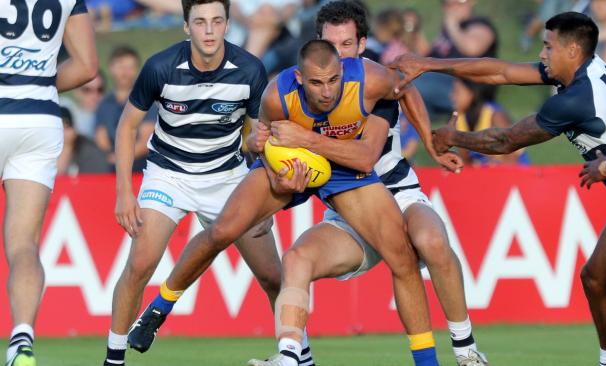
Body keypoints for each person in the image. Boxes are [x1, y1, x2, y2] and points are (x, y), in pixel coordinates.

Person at [133, 39, 441, 366]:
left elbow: (403, 93)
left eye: (334, 80)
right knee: (223, 230)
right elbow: (259, 144)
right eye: (317, 83)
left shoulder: (370, 77)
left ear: (342, 71)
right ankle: (158, 308)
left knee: (403, 258)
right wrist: (278, 176)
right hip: (289, 165)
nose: (327, 92)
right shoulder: (276, 96)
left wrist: (430, 141)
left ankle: (427, 363)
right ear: (299, 78)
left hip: (344, 167)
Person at [390, 11, 606, 366]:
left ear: (572, 51)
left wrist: (454, 138)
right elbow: (499, 71)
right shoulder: (582, 71)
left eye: (547, 46)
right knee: (596, 278)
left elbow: (506, 140)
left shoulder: (576, 99)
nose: (541, 54)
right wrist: (429, 63)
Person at [248, 2, 488, 365]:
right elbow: (268, 146)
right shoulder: (305, 90)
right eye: (331, 45)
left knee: (431, 240)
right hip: (349, 211)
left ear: (362, 44)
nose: (339, 56)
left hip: (398, 193)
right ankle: (293, 356)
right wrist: (273, 190)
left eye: (347, 45)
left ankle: (466, 350)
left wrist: (429, 144)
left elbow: (368, 151)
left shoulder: (370, 85)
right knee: (296, 258)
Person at [101, 1, 310, 366]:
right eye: (200, 22)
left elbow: (261, 137)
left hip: (227, 178)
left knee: (273, 277)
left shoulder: (249, 69)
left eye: (216, 21)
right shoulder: (160, 67)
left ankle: (301, 358)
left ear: (228, 24)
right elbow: (126, 127)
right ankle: (113, 360)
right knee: (140, 263)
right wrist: (124, 192)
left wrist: (268, 183)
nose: (209, 30)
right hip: (169, 174)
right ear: (186, 27)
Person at [0, 0, 98, 365]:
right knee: (24, 245)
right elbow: (88, 65)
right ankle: (21, 340)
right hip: (39, 119)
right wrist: (35, 82)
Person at [95, 46, 156, 172]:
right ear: (111, 68)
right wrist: (112, 155)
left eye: (130, 68)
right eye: (121, 67)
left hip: (141, 166)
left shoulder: (147, 100)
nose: (125, 72)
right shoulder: (104, 103)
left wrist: (121, 158)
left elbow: (147, 139)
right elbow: (101, 137)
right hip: (110, 164)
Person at [450, 78, 529, 166]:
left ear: (473, 92)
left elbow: (510, 161)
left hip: (513, 172)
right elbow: (465, 161)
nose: (452, 97)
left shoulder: (495, 116)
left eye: (457, 92)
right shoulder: (460, 118)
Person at [57, 107, 111, 175]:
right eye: (58, 128)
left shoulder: (90, 152)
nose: (62, 133)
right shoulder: (42, 152)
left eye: (66, 127)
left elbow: (98, 179)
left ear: (74, 129)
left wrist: (67, 148)